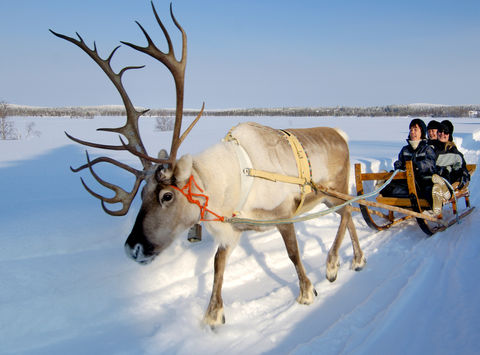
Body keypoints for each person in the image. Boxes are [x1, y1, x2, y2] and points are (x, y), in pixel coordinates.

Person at [381, 118, 437, 200]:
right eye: (411, 130)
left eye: (415, 129)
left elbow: (430, 164)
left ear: (421, 132)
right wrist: (398, 165)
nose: (412, 132)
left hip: (422, 181)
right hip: (406, 181)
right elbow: (401, 162)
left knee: (427, 189)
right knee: (390, 185)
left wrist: (417, 166)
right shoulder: (405, 149)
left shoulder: (427, 149)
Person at [430, 121, 470, 216]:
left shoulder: (452, 149)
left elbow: (461, 165)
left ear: (450, 134)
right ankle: (440, 189)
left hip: (446, 178)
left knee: (447, 169)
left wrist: (463, 177)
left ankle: (444, 189)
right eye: (440, 131)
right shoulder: (431, 147)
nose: (442, 134)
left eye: (446, 132)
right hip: (431, 177)